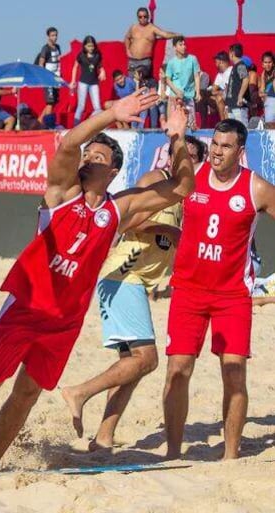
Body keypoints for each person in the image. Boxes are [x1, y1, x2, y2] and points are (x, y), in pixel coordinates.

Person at [0, 90, 195, 475]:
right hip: (25, 307)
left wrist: (177, 138)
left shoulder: (116, 210)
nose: (88, 159)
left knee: (25, 395)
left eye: (98, 158)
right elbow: (70, 141)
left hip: (64, 323)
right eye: (88, 155)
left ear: (113, 172)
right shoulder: (61, 192)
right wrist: (112, 113)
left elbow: (183, 188)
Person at [61, 135, 206, 451]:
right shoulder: (156, 179)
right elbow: (128, 221)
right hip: (124, 274)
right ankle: (79, 392)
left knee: (132, 365)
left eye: (193, 156)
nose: (184, 159)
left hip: (138, 280)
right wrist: (171, 231)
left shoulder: (186, 197)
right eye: (181, 153)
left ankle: (104, 437)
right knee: (147, 359)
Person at [163, 119, 275, 460]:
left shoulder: (256, 188)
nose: (216, 151)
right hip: (188, 290)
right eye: (214, 143)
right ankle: (172, 452)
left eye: (225, 146)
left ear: (240, 152)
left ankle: (229, 455)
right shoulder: (191, 176)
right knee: (177, 371)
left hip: (232, 296)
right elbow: (151, 191)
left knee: (234, 372)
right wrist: (177, 134)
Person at [124, 6, 178, 79]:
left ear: (148, 16)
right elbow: (127, 38)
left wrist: (177, 35)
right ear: (137, 17)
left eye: (145, 16)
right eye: (140, 17)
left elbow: (165, 34)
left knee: (140, 78)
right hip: (132, 61)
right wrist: (127, 50)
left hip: (144, 62)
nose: (142, 18)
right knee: (132, 83)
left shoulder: (152, 28)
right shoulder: (133, 27)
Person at [165, 36, 201, 130]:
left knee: (190, 125)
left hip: (188, 96)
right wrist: (176, 91)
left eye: (184, 44)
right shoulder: (171, 62)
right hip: (175, 97)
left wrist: (198, 92)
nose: (183, 46)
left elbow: (196, 76)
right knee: (175, 126)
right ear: (175, 47)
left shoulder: (192, 59)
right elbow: (168, 79)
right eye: (180, 45)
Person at [70, 35, 105, 126]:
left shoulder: (97, 55)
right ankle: (75, 126)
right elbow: (75, 67)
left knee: (97, 107)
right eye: (89, 46)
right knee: (81, 106)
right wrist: (73, 80)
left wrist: (102, 71)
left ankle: (97, 126)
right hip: (83, 83)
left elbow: (100, 66)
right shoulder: (81, 55)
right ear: (85, 46)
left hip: (94, 83)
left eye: (92, 46)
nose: (91, 48)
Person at [37, 27, 61, 121]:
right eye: (52, 35)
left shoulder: (57, 47)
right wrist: (44, 77)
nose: (55, 37)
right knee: (50, 102)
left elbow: (59, 61)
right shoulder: (45, 48)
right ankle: (47, 124)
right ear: (48, 36)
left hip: (56, 77)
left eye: (56, 35)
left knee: (52, 102)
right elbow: (41, 63)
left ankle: (40, 122)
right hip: (48, 78)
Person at [226, 44, 250, 126]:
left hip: (239, 106)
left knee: (241, 129)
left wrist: (240, 96)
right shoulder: (236, 66)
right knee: (233, 130)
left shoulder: (240, 65)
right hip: (232, 104)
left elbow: (246, 79)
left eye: (229, 53)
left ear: (232, 53)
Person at [259, 51, 274, 127]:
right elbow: (262, 90)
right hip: (268, 102)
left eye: (270, 62)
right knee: (269, 127)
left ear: (273, 63)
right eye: (265, 62)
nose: (268, 65)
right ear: (262, 64)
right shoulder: (263, 74)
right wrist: (261, 94)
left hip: (272, 101)